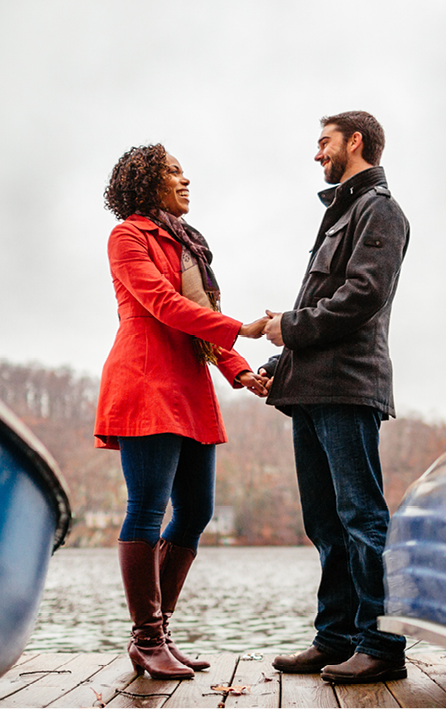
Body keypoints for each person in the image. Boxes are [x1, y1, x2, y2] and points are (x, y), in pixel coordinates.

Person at [94, 144, 268, 680]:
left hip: (189, 387)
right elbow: (166, 307)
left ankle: (159, 632)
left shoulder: (187, 242)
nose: (185, 178)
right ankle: (147, 639)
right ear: (149, 183)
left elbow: (201, 317)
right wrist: (239, 328)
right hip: (146, 382)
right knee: (146, 508)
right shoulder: (127, 236)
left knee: (196, 512)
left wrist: (241, 371)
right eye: (173, 172)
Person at [259, 111, 410, 683]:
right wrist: (278, 363)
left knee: (362, 519)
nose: (316, 152)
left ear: (355, 141)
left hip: (350, 389)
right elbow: (323, 304)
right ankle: (336, 638)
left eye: (323, 141)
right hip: (313, 390)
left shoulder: (381, 210)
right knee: (324, 522)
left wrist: (289, 328)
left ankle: (382, 646)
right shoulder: (340, 213)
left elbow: (362, 296)